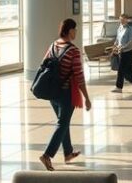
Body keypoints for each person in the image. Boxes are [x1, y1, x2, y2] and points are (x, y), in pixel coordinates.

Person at [39, 18, 92, 171]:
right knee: (62, 123)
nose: (76, 32)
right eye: (75, 29)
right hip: (65, 94)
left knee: (63, 122)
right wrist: (87, 98)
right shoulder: (74, 51)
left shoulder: (54, 45)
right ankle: (47, 155)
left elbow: (44, 64)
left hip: (52, 92)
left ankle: (68, 152)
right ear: (70, 30)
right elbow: (79, 77)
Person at [112, 13, 132, 94]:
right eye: (120, 19)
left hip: (128, 52)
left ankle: (119, 87)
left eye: (123, 19)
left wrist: (123, 48)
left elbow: (131, 42)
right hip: (120, 52)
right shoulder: (119, 29)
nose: (121, 21)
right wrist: (115, 45)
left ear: (127, 20)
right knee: (128, 71)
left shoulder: (130, 29)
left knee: (121, 70)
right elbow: (117, 39)